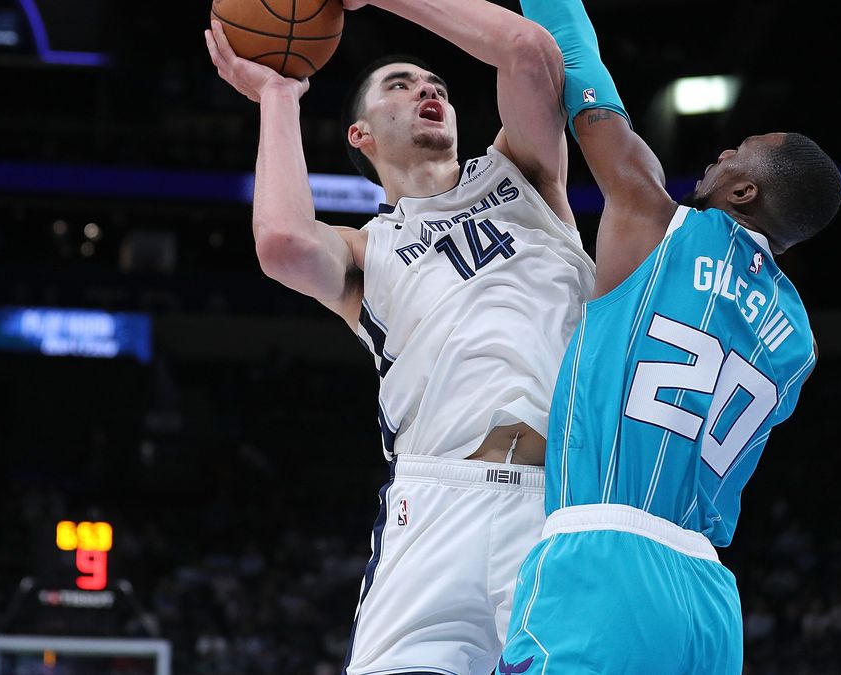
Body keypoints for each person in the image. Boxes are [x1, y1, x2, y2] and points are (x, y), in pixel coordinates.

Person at [203, 0, 594, 672]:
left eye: (436, 84)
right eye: (401, 84)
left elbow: (529, 49)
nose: (428, 90)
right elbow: (283, 243)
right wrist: (277, 95)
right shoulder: (368, 250)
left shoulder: (524, 175)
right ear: (361, 135)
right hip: (436, 505)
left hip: (562, 501)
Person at [499, 1, 841, 672]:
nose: (719, 153)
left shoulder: (658, 222)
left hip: (605, 559)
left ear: (743, 191)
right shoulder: (799, 340)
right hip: (709, 599)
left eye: (734, 155)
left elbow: (581, 71)